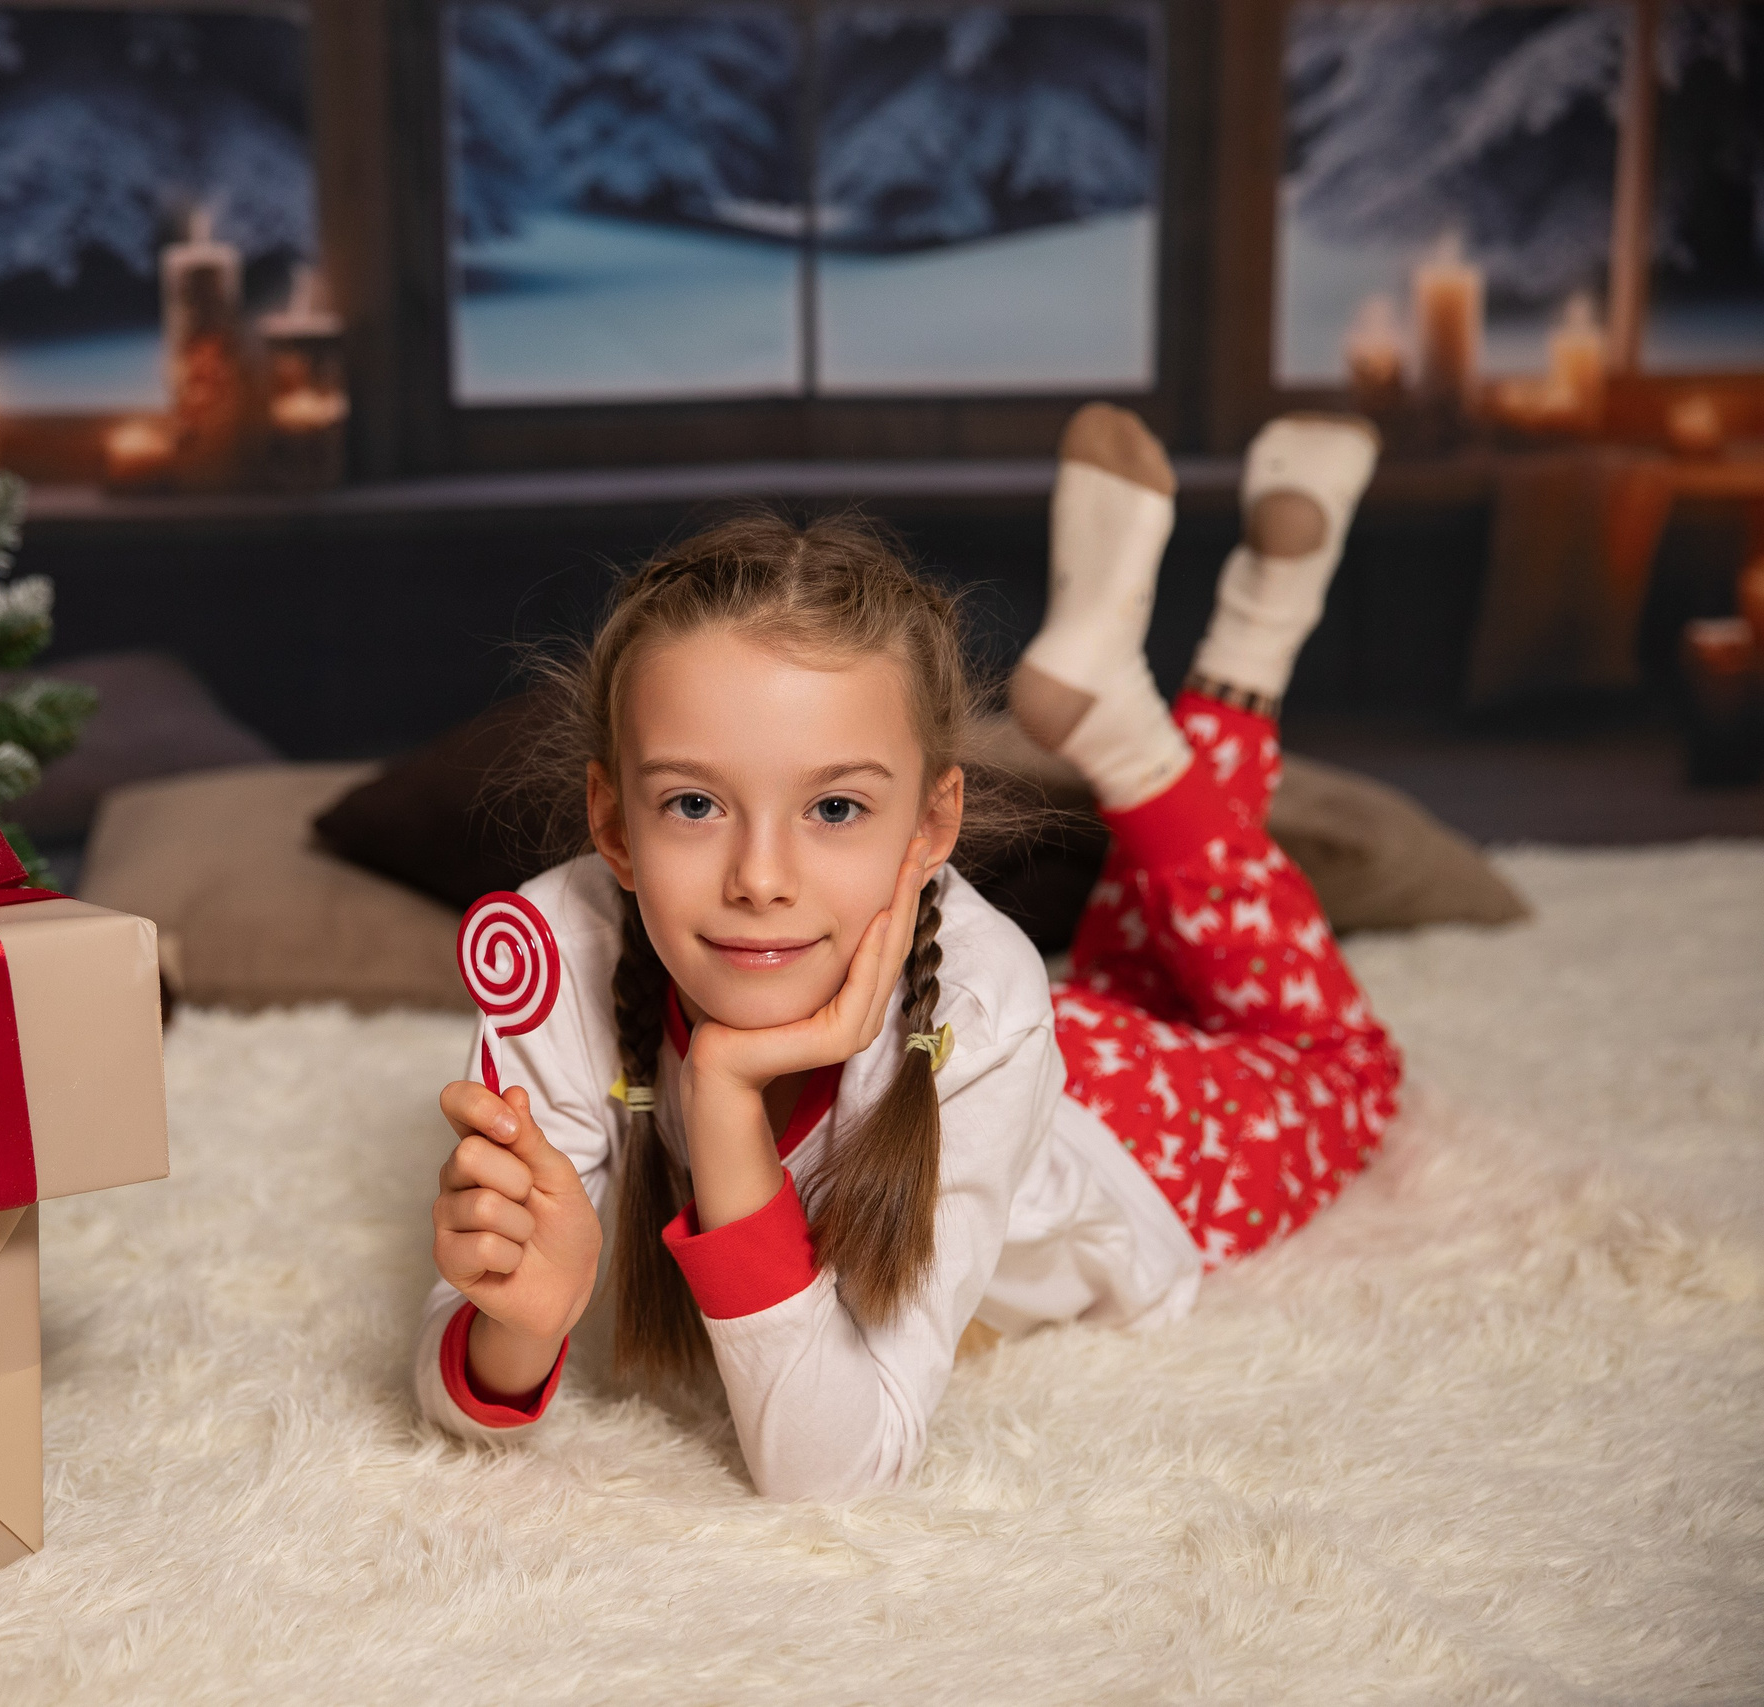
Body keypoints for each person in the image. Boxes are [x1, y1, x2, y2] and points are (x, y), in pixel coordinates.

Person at [412, 405, 1401, 1500]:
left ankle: (1189, 675)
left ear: (930, 830)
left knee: (1342, 1067)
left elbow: (827, 1473)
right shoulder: (554, 954)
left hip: (1135, 1145)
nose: (760, 876)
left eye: (834, 807)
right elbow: (463, 1353)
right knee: (1142, 959)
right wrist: (518, 1325)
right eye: (693, 802)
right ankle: (1184, 668)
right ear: (611, 824)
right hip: (1036, 1046)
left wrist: (726, 1095)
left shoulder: (983, 1001)